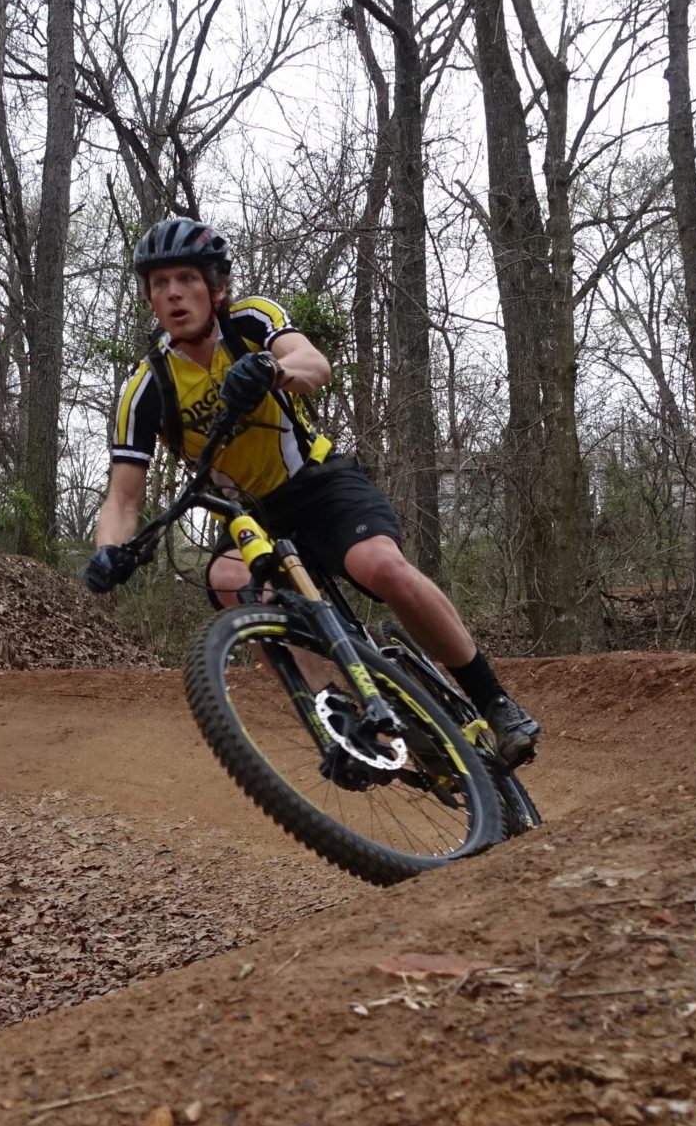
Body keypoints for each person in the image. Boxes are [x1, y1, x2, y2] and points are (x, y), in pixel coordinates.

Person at [84, 217, 541, 767]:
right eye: (160, 284)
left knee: (382, 567)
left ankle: (493, 700)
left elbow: (314, 364)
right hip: (251, 517)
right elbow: (123, 499)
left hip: (319, 484)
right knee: (231, 580)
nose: (174, 293)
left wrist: (271, 371)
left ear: (217, 287)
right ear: (150, 300)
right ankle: (337, 713)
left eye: (186, 278)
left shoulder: (250, 322)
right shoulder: (146, 388)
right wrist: (107, 551)